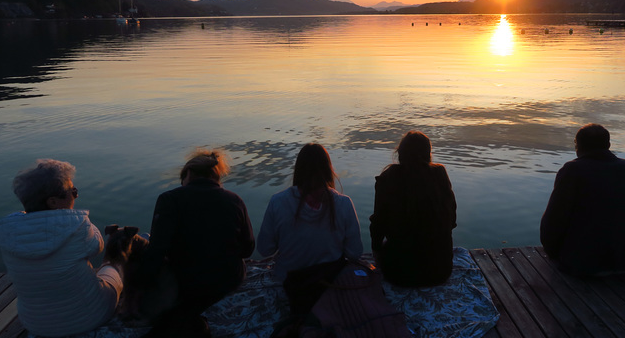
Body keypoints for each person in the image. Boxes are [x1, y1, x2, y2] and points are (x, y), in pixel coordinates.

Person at [0, 159, 123, 337]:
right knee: (112, 268)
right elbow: (97, 247)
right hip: (89, 317)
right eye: (73, 191)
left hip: (35, 324)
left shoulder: (7, 230)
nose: (76, 196)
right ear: (53, 202)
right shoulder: (78, 224)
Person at [137, 149, 255, 312]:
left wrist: (141, 285)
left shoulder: (169, 200)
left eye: (182, 180)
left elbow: (157, 251)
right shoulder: (235, 200)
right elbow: (247, 250)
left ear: (189, 173)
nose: (182, 185)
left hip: (186, 284)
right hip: (229, 280)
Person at [540, 123, 625, 276]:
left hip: (586, 265)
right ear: (608, 145)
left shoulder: (572, 170)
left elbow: (554, 219)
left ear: (577, 146)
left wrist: (552, 252)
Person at [257, 143, 363, 282]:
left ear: (298, 170)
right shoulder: (344, 204)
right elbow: (355, 253)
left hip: (289, 283)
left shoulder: (278, 201)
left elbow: (265, 249)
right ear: (328, 169)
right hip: (329, 283)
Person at [370, 131, 457, 287]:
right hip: (440, 272)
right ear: (428, 154)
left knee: (388, 247)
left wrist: (377, 253)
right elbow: (451, 221)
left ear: (400, 154)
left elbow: (378, 225)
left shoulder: (387, 178)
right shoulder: (439, 174)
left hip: (398, 274)